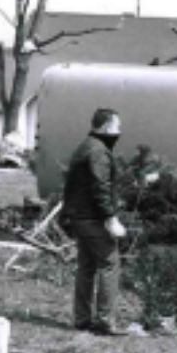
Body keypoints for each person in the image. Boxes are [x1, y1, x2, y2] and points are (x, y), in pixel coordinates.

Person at [62, 107, 127, 335]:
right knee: (110, 263)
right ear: (106, 127)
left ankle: (82, 319)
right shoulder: (99, 152)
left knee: (86, 267)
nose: (120, 131)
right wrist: (110, 218)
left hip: (79, 216)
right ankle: (105, 320)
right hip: (92, 218)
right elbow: (101, 187)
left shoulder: (86, 146)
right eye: (117, 127)